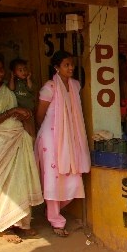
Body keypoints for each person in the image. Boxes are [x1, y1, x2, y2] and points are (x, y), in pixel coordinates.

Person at [0, 54, 43, 243]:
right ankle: (4, 226)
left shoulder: (8, 88)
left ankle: (22, 223)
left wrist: (23, 113)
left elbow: (21, 105)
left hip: (17, 138)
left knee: (21, 179)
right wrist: (12, 111)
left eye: (1, 69)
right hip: (1, 142)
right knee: (3, 183)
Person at [35, 51, 91, 238]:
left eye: (72, 64)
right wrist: (53, 131)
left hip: (71, 138)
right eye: (66, 65)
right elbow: (40, 115)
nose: (71, 68)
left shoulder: (75, 85)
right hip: (51, 140)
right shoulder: (49, 87)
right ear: (56, 68)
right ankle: (56, 220)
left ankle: (52, 210)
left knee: (73, 176)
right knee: (53, 178)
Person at [8, 58, 36, 137]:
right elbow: (11, 88)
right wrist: (12, 78)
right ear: (14, 72)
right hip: (19, 111)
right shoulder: (14, 82)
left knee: (30, 131)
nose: (23, 72)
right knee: (22, 131)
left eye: (25, 69)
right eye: (20, 70)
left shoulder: (28, 81)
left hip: (29, 110)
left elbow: (31, 88)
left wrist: (28, 79)